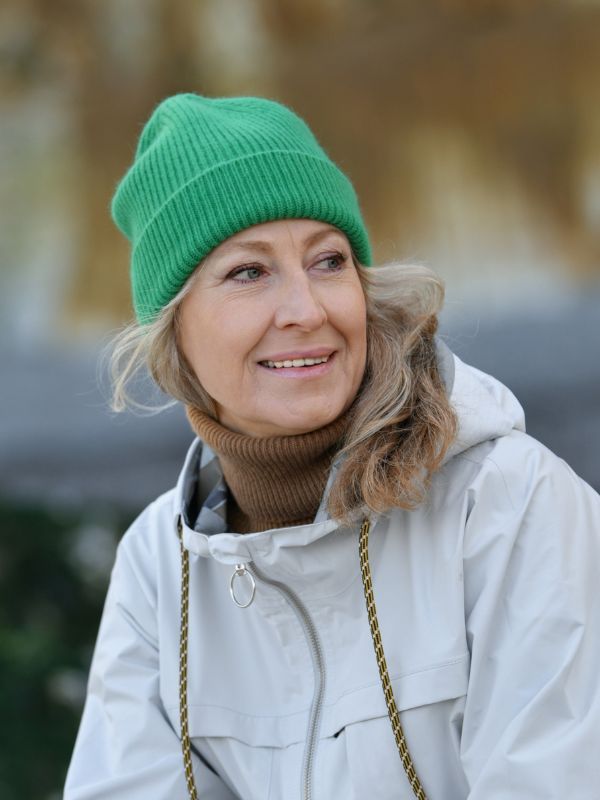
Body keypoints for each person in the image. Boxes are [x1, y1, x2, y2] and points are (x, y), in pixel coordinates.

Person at [64, 93, 600, 800]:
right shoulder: (158, 566)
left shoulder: (509, 503)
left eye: (328, 261)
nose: (308, 309)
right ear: (175, 332)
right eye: (249, 273)